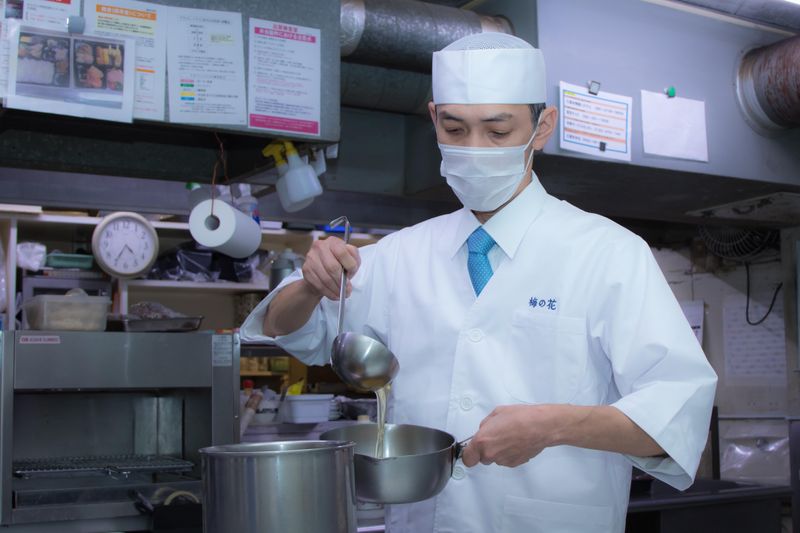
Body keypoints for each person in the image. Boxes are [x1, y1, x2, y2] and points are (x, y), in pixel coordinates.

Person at [242, 33, 717, 533]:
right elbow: (286, 328)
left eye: (497, 131)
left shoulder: (609, 254)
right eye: (455, 128)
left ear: (542, 127)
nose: (473, 149)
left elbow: (677, 412)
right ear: (434, 120)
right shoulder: (399, 254)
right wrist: (309, 285)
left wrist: (553, 425)